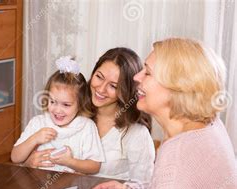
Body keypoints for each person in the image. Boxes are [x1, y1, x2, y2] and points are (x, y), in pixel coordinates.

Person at [47, 38, 236, 189]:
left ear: (176, 87)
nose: (137, 77)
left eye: (148, 72)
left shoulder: (180, 153)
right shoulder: (207, 128)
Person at [26, 48, 155, 182]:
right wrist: (30, 162)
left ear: (125, 91)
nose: (101, 89)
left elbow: (143, 187)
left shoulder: (136, 134)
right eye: (99, 77)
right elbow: (35, 153)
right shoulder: (70, 112)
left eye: (113, 86)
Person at [11, 56, 104, 174]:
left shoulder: (86, 126)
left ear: (80, 104)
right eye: (53, 102)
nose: (57, 110)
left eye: (66, 105)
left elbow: (94, 166)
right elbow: (15, 157)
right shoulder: (38, 123)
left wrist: (69, 161)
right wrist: (34, 139)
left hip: (71, 188)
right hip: (38, 186)